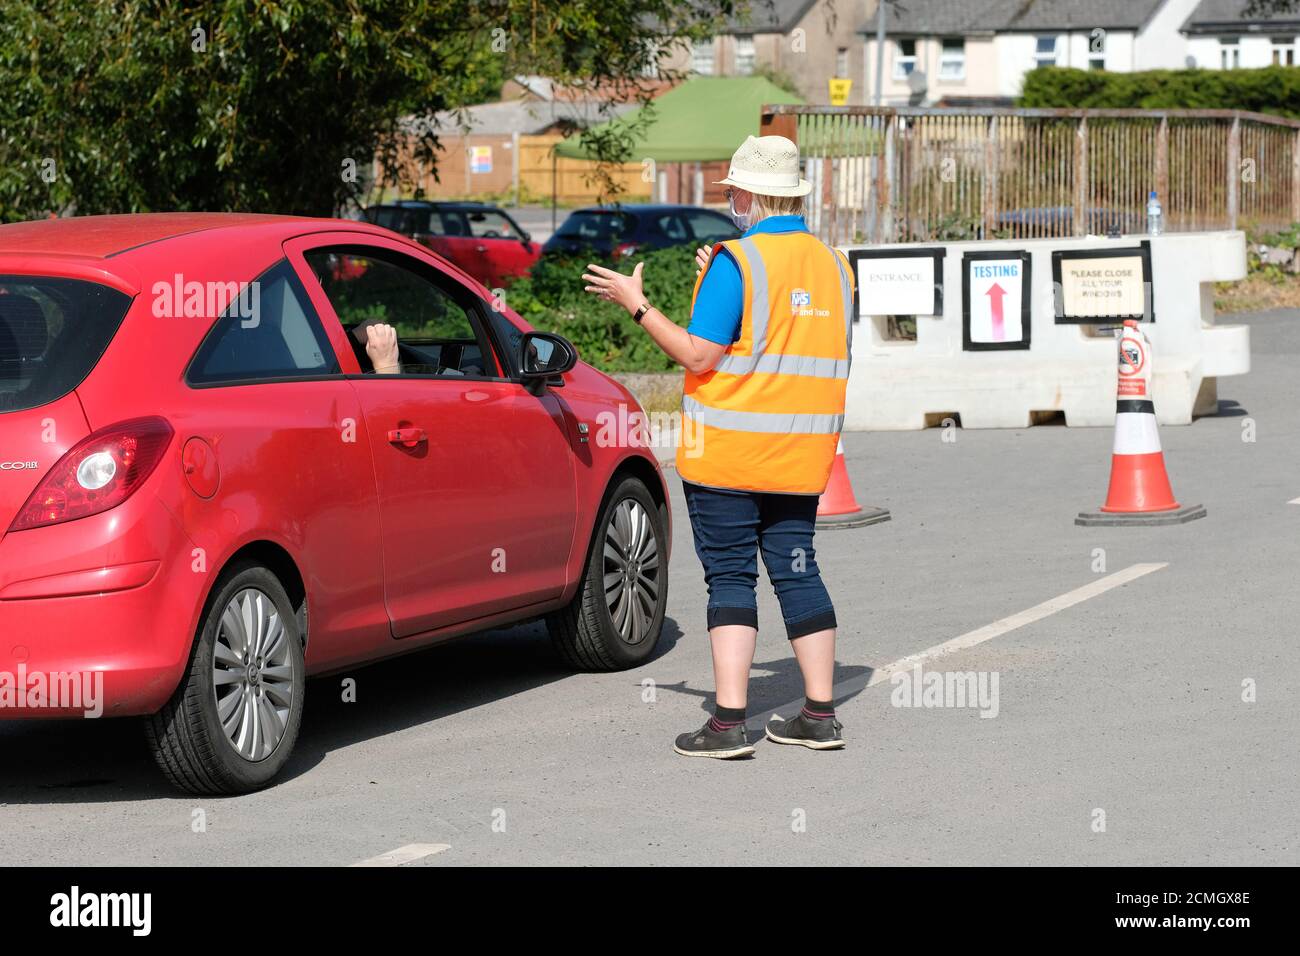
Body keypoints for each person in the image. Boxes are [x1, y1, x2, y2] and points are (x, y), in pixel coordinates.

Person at [581, 134, 854, 759]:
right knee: (797, 569)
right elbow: (786, 342)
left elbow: (700, 354)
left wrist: (638, 305)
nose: (729, 200)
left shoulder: (738, 261)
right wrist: (718, 281)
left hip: (730, 455)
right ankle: (819, 714)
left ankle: (729, 724)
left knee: (730, 578)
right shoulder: (836, 266)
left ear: (754, 194)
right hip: (800, 457)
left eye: (732, 191)